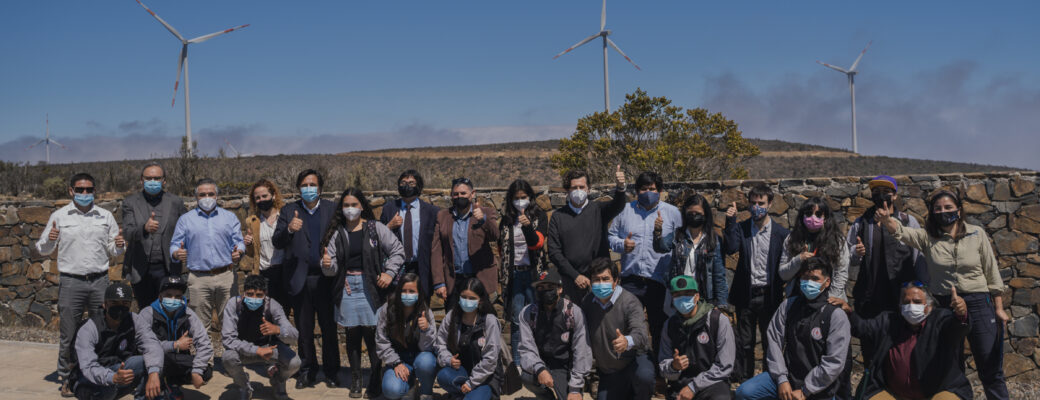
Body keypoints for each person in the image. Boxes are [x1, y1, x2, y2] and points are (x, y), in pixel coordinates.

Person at [877, 189, 1009, 400]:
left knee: (989, 365)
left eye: (948, 207)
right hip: (945, 306)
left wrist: (999, 308)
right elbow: (902, 232)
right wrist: (886, 220)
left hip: (978, 302)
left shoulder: (977, 233)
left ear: (958, 210)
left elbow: (991, 271)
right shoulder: (927, 237)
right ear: (931, 212)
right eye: (937, 208)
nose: (943, 211)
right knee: (950, 365)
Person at [37, 172, 126, 397]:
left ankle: (99, 374)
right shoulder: (60, 216)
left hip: (99, 281)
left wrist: (119, 245)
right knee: (69, 333)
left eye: (89, 190)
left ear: (95, 191)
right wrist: (51, 239)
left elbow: (114, 250)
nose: (84, 194)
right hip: (71, 282)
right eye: (80, 190)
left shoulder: (105, 216)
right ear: (71, 191)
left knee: (102, 330)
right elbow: (43, 249)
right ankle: (67, 378)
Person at [320, 187, 406, 398]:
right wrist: (327, 264)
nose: (350, 209)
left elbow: (398, 250)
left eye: (354, 205)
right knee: (352, 334)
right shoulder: (337, 232)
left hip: (371, 286)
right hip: (348, 287)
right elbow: (329, 268)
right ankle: (357, 379)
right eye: (346, 205)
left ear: (362, 206)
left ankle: (375, 380)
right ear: (342, 208)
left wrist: (389, 273)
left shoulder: (375, 228)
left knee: (373, 334)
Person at [828, 282, 972, 400]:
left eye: (917, 302)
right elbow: (863, 329)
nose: (911, 306)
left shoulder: (940, 320)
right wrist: (848, 312)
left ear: (929, 306)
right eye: (906, 302)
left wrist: (961, 315)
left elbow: (957, 328)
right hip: (894, 393)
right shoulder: (889, 321)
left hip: (938, 391)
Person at [734, 258, 850, 400]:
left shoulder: (835, 315)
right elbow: (774, 341)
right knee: (744, 392)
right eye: (805, 278)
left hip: (819, 387)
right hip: (787, 377)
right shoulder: (789, 305)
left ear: (827, 282)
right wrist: (782, 379)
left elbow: (834, 362)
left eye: (815, 278)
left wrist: (805, 391)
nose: (809, 282)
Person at [845, 176, 926, 376]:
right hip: (870, 298)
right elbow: (848, 257)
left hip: (901, 299)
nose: (880, 195)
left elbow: (919, 257)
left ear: (895, 195)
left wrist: (923, 291)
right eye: (876, 191)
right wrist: (857, 252)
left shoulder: (909, 221)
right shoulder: (861, 223)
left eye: (886, 191)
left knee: (901, 348)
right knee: (870, 349)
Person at [272, 169, 338, 389]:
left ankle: (331, 371)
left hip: (326, 279)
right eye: (304, 185)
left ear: (320, 187)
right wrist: (289, 229)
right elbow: (277, 241)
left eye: (313, 184)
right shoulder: (289, 210)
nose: (308, 188)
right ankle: (308, 371)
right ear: (298, 188)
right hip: (300, 279)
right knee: (304, 329)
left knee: (329, 328)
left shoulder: (331, 208)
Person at [607, 171, 682, 361]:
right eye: (644, 189)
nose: (648, 192)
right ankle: (632, 371)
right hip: (631, 280)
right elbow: (611, 236)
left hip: (659, 280)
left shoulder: (672, 213)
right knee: (630, 327)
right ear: (637, 191)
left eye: (652, 189)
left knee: (660, 327)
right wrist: (622, 245)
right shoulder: (625, 210)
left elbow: (681, 242)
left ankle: (659, 372)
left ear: (660, 191)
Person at [723, 185, 790, 382]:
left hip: (770, 295)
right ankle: (746, 382)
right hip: (746, 294)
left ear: (770, 204)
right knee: (745, 342)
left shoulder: (781, 233)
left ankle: (770, 381)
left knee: (772, 342)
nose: (756, 207)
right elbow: (731, 248)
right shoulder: (742, 228)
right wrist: (730, 221)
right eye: (753, 203)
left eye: (761, 203)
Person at [169, 178, 245, 333]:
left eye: (210, 193)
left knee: (230, 322)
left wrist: (239, 252)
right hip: (198, 278)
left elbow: (239, 242)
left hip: (226, 276)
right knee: (200, 326)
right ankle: (204, 357)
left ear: (217, 195)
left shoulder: (229, 218)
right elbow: (174, 245)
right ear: (196, 197)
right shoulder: (185, 220)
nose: (207, 197)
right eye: (202, 194)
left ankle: (230, 356)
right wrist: (177, 253)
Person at [547, 167, 628, 301]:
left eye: (582, 187)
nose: (578, 191)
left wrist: (620, 188)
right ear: (567, 191)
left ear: (588, 189)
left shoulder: (599, 210)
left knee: (599, 319)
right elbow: (554, 252)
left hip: (598, 280)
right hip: (570, 281)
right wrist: (575, 276)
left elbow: (618, 205)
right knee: (572, 320)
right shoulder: (558, 217)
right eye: (574, 188)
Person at [71, 282, 162, 400]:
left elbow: (152, 344)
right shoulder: (89, 327)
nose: (120, 307)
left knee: (149, 362)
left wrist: (154, 372)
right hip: (90, 379)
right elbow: (88, 367)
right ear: (105, 304)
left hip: (119, 370)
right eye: (114, 303)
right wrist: (112, 377)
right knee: (95, 389)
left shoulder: (135, 320)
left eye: (125, 303)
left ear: (130, 305)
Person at [580, 257, 655, 400]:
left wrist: (627, 341)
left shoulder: (630, 302)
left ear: (615, 281)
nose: (600, 284)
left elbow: (641, 334)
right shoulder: (587, 302)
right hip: (610, 371)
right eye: (596, 279)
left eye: (605, 279)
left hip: (635, 360)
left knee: (644, 377)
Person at [221, 275, 301, 400]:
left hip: (269, 349)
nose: (254, 298)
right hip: (242, 349)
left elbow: (294, 336)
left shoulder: (272, 305)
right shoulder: (234, 305)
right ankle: (244, 386)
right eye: (250, 294)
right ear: (243, 293)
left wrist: (278, 330)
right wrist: (256, 350)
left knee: (294, 362)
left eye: (259, 295)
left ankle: (278, 381)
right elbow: (228, 339)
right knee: (228, 358)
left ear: (265, 294)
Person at [517, 268, 593, 400]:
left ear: (560, 289)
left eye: (550, 287)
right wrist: (539, 369)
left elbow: (581, 351)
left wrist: (575, 387)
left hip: (564, 366)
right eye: (541, 287)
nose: (545, 291)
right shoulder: (528, 313)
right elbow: (526, 348)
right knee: (527, 376)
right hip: (542, 362)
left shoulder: (573, 313)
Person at [657, 275, 735, 400]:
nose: (682, 298)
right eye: (677, 295)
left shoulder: (717, 320)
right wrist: (673, 366)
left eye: (687, 293)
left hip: (712, 384)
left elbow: (724, 366)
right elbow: (663, 364)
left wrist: (694, 387)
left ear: (697, 296)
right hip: (680, 387)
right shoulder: (670, 325)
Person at [121, 162, 187, 309]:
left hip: (168, 267)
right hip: (141, 269)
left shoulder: (175, 202)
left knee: (170, 309)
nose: (153, 182)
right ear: (141, 180)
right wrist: (144, 228)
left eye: (157, 178)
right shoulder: (130, 203)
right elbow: (127, 232)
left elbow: (186, 230)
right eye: (149, 178)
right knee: (146, 311)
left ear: (164, 180)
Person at [136, 276, 213, 398]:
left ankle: (171, 385)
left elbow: (204, 343)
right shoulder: (147, 313)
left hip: (177, 358)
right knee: (155, 359)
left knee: (206, 371)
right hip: (155, 359)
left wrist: (197, 371)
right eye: (169, 295)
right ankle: (155, 387)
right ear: (160, 296)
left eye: (178, 296)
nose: (173, 299)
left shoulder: (188, 313)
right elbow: (144, 345)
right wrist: (175, 345)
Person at [499, 178, 549, 363]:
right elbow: (500, 248)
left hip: (534, 274)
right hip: (514, 275)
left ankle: (537, 361)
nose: (520, 201)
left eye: (524, 197)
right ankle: (519, 364)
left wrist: (527, 226)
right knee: (517, 320)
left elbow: (537, 244)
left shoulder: (539, 217)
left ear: (531, 197)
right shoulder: (506, 220)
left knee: (537, 318)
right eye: (516, 197)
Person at [431, 177, 501, 309]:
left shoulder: (485, 212)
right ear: (451, 195)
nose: (459, 197)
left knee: (482, 320)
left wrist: (483, 220)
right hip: (454, 280)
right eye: (456, 194)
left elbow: (495, 235)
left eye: (463, 193)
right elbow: (436, 251)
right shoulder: (443, 216)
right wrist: (439, 282)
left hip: (479, 279)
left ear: (472, 194)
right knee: (453, 322)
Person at [435, 278, 505, 400]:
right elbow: (440, 343)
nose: (467, 301)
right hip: (462, 373)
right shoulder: (452, 316)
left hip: (485, 379)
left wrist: (471, 383)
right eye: (464, 297)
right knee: (443, 376)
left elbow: (490, 359)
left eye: (472, 298)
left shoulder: (490, 321)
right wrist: (448, 359)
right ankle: (464, 394)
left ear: (480, 300)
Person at [653, 193, 729, 306]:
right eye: (690, 213)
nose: (694, 216)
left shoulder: (713, 240)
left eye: (697, 213)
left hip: (704, 297)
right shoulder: (678, 235)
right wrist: (658, 232)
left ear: (705, 214)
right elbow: (661, 247)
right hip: (679, 294)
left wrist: (721, 303)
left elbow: (718, 274)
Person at [376, 273, 438, 400]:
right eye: (404, 291)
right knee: (391, 390)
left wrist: (426, 330)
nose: (407, 294)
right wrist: (396, 363)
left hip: (420, 357)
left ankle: (426, 392)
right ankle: (409, 385)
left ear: (419, 293)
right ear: (398, 291)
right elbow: (381, 340)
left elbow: (430, 348)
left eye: (411, 291)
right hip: (398, 359)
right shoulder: (388, 309)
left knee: (426, 361)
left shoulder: (426, 312)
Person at [380, 169, 441, 296]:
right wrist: (389, 226)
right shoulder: (389, 209)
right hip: (397, 267)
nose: (407, 186)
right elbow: (378, 238)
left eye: (411, 183)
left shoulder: (431, 211)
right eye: (403, 183)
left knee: (422, 305)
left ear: (419, 186)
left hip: (422, 267)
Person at [778, 196, 850, 301]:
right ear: (802, 216)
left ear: (825, 217)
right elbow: (783, 274)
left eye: (818, 214)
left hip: (828, 297)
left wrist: (831, 298)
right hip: (798, 297)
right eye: (808, 214)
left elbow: (841, 272)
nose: (813, 217)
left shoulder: (837, 240)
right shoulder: (792, 239)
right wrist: (798, 259)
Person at [243, 179, 289, 310]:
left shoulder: (285, 216)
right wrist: (249, 244)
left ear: (273, 196)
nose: (261, 200)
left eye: (264, 196)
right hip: (264, 272)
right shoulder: (253, 221)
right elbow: (252, 253)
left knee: (285, 309)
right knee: (267, 311)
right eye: (257, 198)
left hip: (284, 271)